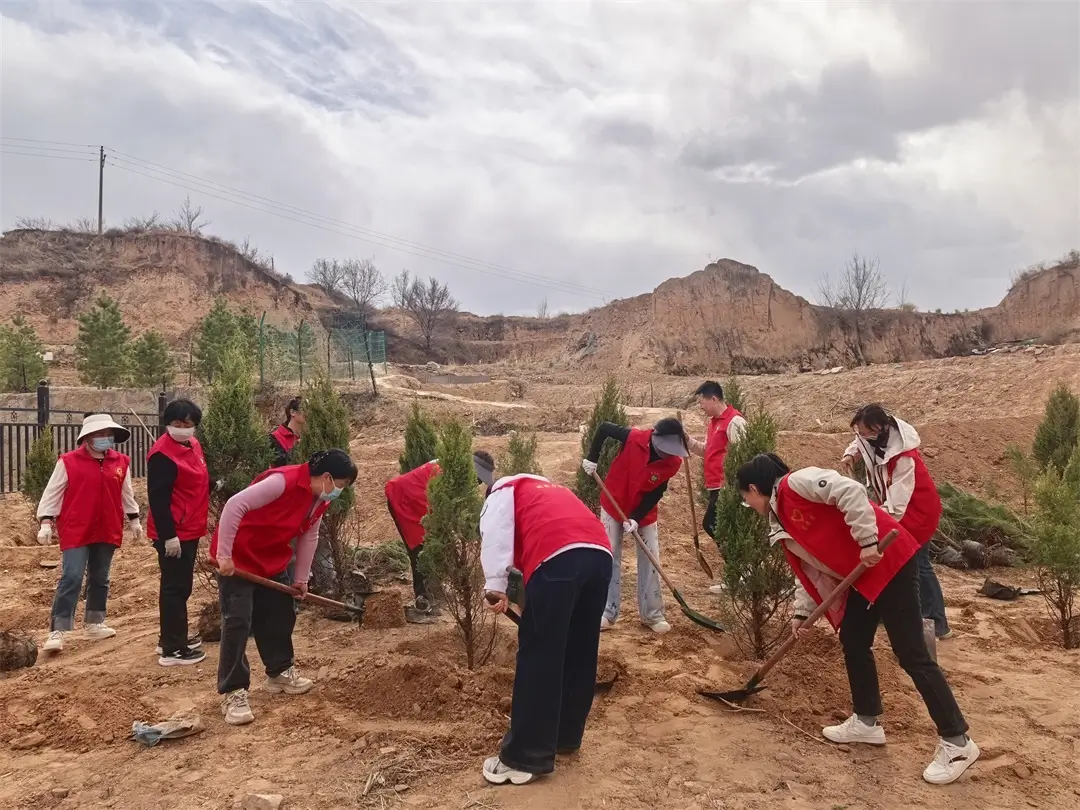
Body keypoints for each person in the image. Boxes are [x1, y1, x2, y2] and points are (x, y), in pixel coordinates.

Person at [736, 453, 979, 785]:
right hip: (864, 576)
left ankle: (957, 742)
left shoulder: (797, 483)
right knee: (853, 638)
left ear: (754, 488)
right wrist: (801, 613)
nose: (749, 504)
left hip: (890, 562)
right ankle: (867, 722)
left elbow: (850, 490)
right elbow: (808, 565)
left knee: (911, 653)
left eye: (746, 498)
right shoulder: (780, 518)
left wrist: (867, 540)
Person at [480, 472, 613, 786]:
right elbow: (537, 572)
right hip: (599, 557)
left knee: (540, 654)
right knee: (580, 649)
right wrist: (519, 600)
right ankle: (565, 736)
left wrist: (495, 585)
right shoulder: (548, 491)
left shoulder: (502, 490)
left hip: (558, 558)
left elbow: (497, 536)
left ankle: (524, 757)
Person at [210, 448, 358, 726]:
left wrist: (301, 578)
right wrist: (224, 554)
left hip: (272, 559)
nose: (339, 491)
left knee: (280, 615)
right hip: (239, 558)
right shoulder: (281, 482)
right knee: (237, 622)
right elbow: (234, 505)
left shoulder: (318, 497)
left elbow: (310, 534)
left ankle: (279, 672)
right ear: (327, 477)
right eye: (341, 484)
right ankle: (234, 691)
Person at [840, 404, 950, 639]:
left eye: (865, 433)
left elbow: (897, 506)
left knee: (918, 562)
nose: (862, 437)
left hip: (918, 510)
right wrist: (851, 453)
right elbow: (859, 441)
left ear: (879, 428)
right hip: (897, 504)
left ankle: (937, 621)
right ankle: (888, 610)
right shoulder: (875, 437)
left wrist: (873, 521)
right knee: (892, 561)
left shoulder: (903, 458)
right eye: (859, 432)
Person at [36, 413, 142, 653]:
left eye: (108, 434)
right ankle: (58, 629)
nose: (105, 437)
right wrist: (46, 522)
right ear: (87, 437)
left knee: (100, 576)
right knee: (72, 576)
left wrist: (134, 519)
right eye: (99, 434)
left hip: (108, 526)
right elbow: (52, 493)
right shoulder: (68, 462)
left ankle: (95, 622)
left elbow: (126, 493)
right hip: (77, 528)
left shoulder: (121, 462)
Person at [580, 416, 687, 634]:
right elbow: (604, 427)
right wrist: (592, 457)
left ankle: (652, 614)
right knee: (609, 555)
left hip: (644, 512)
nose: (668, 454)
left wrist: (637, 517)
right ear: (655, 437)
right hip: (613, 502)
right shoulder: (634, 437)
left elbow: (656, 492)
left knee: (650, 557)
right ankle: (606, 612)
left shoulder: (674, 463)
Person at [147, 398, 221, 667]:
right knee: (175, 588)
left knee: (181, 586)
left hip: (190, 528)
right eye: (176, 423)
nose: (181, 427)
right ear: (168, 423)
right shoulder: (162, 455)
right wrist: (168, 536)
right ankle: (173, 650)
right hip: (174, 532)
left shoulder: (192, 445)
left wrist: (214, 485)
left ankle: (171, 636)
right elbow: (158, 500)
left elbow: (193, 478)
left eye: (186, 423)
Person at [385, 451, 497, 622]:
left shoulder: (454, 468)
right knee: (421, 551)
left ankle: (432, 593)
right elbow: (443, 511)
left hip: (419, 501)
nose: (477, 484)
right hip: (404, 500)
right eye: (478, 479)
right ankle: (423, 603)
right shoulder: (447, 472)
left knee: (431, 548)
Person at [685, 380, 747, 594]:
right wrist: (687, 441)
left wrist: (736, 486)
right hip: (715, 486)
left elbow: (743, 455)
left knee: (713, 524)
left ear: (713, 399)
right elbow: (708, 451)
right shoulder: (713, 423)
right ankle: (739, 574)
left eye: (702, 402)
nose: (700, 406)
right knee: (720, 527)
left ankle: (742, 573)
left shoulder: (735, 422)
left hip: (727, 486)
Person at [269, 397, 305, 468]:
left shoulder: (310, 436)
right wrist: (297, 448)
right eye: (304, 409)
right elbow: (280, 463)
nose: (309, 412)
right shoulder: (274, 438)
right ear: (292, 412)